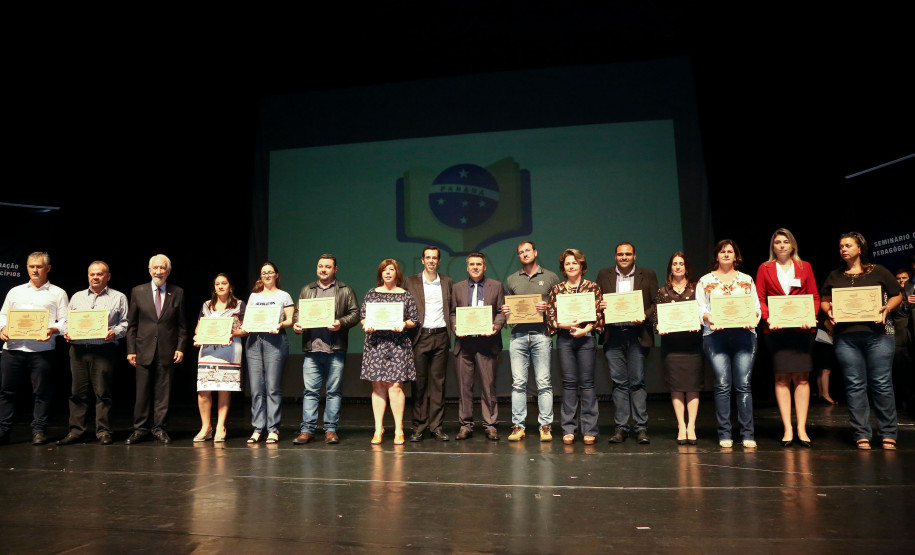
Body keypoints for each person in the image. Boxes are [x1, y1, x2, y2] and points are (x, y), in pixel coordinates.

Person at [821, 232, 903, 450]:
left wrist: (887, 308)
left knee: (882, 384)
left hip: (879, 335)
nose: (843, 249)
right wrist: (828, 311)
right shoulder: (835, 275)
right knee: (855, 385)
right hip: (846, 338)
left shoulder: (879, 271)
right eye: (841, 246)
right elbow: (824, 300)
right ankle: (861, 434)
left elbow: (897, 294)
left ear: (860, 248)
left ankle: (888, 433)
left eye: (848, 245)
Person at [756, 229, 819, 448]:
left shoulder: (805, 266)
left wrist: (810, 317)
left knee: (802, 379)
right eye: (777, 242)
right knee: (781, 378)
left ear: (793, 245)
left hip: (802, 330)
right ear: (773, 246)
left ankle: (801, 428)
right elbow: (760, 299)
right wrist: (768, 318)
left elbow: (814, 296)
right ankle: (787, 428)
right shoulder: (764, 268)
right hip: (776, 331)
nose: (782, 245)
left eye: (785, 242)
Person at [697, 240, 761, 449]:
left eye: (730, 251)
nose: (726, 254)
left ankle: (747, 434)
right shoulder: (705, 280)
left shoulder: (746, 280)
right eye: (722, 251)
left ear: (736, 256)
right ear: (716, 256)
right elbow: (700, 308)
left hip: (744, 335)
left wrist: (753, 318)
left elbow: (756, 308)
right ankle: (724, 433)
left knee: (743, 385)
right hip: (716, 336)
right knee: (723, 385)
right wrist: (709, 317)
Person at [0, 252, 68, 446]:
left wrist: (52, 329)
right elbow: (3, 315)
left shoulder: (58, 293)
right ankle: (3, 430)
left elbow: (66, 321)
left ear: (48, 268)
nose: (35, 270)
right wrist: (2, 328)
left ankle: (39, 430)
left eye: (39, 266)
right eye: (31, 266)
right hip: (12, 349)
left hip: (42, 350)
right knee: (6, 392)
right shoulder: (15, 291)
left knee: (42, 393)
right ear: (27, 268)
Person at [58, 261, 128, 446]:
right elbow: (66, 321)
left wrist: (115, 332)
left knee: (103, 393)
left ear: (108, 276)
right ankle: (76, 431)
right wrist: (67, 331)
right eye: (92, 274)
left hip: (104, 350)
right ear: (88, 276)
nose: (95, 277)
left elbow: (126, 323)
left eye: (99, 274)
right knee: (77, 393)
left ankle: (103, 431)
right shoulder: (77, 297)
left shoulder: (119, 297)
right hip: (78, 351)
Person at [292, 254, 359, 445]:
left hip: (335, 349)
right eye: (320, 266)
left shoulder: (345, 289)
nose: (323, 269)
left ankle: (330, 430)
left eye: (328, 266)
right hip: (312, 349)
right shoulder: (307, 289)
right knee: (310, 392)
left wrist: (341, 323)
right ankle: (307, 430)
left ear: (335, 269)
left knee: (333, 392)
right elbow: (298, 313)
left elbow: (355, 313)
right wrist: (297, 324)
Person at [596, 242, 658, 444]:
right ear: (615, 256)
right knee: (619, 383)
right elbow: (596, 303)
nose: (624, 257)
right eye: (620, 254)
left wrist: (644, 315)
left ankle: (641, 428)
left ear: (634, 256)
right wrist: (600, 305)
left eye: (628, 254)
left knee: (637, 381)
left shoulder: (647, 274)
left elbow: (656, 303)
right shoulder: (603, 275)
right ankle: (621, 427)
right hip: (613, 335)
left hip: (637, 334)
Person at [501, 241, 561, 442]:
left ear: (535, 252)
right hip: (518, 336)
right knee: (518, 383)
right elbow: (509, 307)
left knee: (544, 382)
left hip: (541, 335)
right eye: (521, 252)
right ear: (518, 256)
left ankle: (545, 426)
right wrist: (506, 310)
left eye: (527, 250)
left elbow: (559, 306)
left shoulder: (551, 277)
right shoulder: (512, 279)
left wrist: (548, 306)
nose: (524, 254)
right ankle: (518, 426)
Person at [126, 254, 186, 445]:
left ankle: (159, 428)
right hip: (142, 350)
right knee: (141, 393)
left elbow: (181, 325)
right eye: (155, 268)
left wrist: (180, 347)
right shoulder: (138, 291)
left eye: (162, 268)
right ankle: (140, 429)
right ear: (149, 270)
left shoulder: (177, 292)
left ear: (168, 271)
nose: (159, 271)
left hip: (167, 350)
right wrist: (131, 350)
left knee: (163, 394)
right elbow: (132, 325)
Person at [546, 249, 603, 444]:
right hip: (565, 339)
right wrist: (566, 325)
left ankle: (590, 429)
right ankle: (568, 429)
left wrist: (584, 330)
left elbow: (598, 315)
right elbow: (551, 317)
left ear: (581, 266)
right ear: (563, 268)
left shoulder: (592, 287)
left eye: (574, 263)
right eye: (567, 263)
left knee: (587, 383)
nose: (571, 266)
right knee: (569, 383)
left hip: (586, 338)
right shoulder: (557, 289)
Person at [360, 259, 419, 445]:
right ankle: (378, 429)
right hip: (376, 344)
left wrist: (404, 324)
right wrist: (367, 325)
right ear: (380, 274)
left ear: (396, 273)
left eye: (391, 269)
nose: (387, 273)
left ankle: (399, 429)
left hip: (397, 344)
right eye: (384, 270)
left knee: (395, 387)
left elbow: (414, 320)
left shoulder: (405, 295)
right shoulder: (372, 293)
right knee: (378, 386)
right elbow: (363, 317)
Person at [451, 252, 506, 440]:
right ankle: (465, 425)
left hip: (487, 343)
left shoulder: (496, 286)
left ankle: (490, 425)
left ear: (484, 267)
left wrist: (495, 326)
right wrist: (455, 326)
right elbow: (452, 313)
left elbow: (501, 311)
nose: (475, 267)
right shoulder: (457, 287)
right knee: (464, 387)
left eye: (479, 264)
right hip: (464, 344)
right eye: (472, 264)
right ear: (467, 267)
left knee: (488, 386)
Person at [403, 247, 453, 442]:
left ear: (439, 261)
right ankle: (419, 426)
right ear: (422, 260)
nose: (431, 261)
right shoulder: (411, 281)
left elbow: (452, 309)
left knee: (438, 384)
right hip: (420, 336)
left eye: (434, 258)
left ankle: (436, 427)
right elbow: (403, 307)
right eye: (428, 258)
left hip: (441, 336)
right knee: (419, 384)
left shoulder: (447, 282)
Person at [654, 252, 703, 445]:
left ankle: (692, 426)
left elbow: (704, 312)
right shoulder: (662, 291)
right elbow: (656, 319)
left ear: (686, 267)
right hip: (672, 347)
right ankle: (681, 426)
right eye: (674, 264)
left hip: (693, 345)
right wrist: (660, 327)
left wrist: (698, 323)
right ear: (670, 268)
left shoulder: (696, 289)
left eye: (681, 263)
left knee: (692, 387)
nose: (678, 267)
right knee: (676, 387)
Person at [243, 261, 294, 445]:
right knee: (256, 388)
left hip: (275, 342)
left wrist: (279, 324)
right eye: (264, 272)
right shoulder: (254, 296)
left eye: (270, 272)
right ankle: (258, 429)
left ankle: (273, 429)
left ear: (276, 275)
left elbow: (290, 319)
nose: (267, 275)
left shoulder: (284, 295)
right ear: (261, 276)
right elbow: (248, 319)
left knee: (272, 387)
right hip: (254, 343)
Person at [192, 273, 246, 443]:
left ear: (230, 286)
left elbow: (246, 329)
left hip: (229, 351)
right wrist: (198, 335)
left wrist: (230, 333)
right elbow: (198, 327)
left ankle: (221, 427)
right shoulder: (207, 305)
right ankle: (206, 427)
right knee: (203, 389)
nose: (221, 286)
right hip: (207, 351)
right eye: (217, 284)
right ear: (214, 287)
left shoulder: (239, 305)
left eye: (224, 283)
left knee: (224, 388)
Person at [889, 268, 913, 414]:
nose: (901, 281)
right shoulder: (894, 295)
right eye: (898, 278)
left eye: (904, 278)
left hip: (912, 337)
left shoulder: (913, 292)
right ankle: (902, 404)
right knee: (901, 373)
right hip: (899, 338)